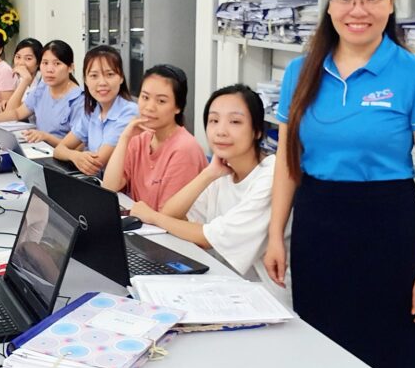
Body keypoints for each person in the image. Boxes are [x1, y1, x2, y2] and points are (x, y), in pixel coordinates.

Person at [262, 0, 415, 368]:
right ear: (329, 5)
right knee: (321, 357)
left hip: (390, 232)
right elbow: (289, 163)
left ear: (390, 3)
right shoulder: (300, 71)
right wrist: (275, 234)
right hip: (318, 226)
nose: (358, 10)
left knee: (389, 364)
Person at [129, 85, 274, 276]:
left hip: (266, 295)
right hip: (221, 281)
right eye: (213, 120)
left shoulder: (271, 174)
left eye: (235, 121)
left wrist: (152, 216)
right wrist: (208, 174)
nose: (221, 131)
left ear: (257, 131)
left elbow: (206, 238)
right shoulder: (221, 169)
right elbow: (171, 215)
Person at [102, 64, 207, 210]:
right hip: (143, 225)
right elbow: (109, 187)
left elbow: (167, 215)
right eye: (145, 97)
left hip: (164, 230)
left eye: (161, 101)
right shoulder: (140, 138)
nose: (149, 107)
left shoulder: (185, 149)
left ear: (178, 107)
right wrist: (124, 138)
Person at [52, 45, 138, 176]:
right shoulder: (92, 112)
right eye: (94, 76)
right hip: (97, 183)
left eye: (110, 74)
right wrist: (74, 155)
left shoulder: (129, 112)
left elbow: (98, 162)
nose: (102, 82)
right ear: (85, 80)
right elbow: (59, 150)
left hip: (123, 191)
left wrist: (76, 156)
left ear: (121, 78)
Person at [0, 40, 83, 147]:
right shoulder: (43, 88)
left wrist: (46, 137)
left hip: (60, 157)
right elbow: (17, 113)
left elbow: (78, 147)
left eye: (57, 64)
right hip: (39, 148)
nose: (49, 69)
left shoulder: (79, 100)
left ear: (70, 68)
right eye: (45, 63)